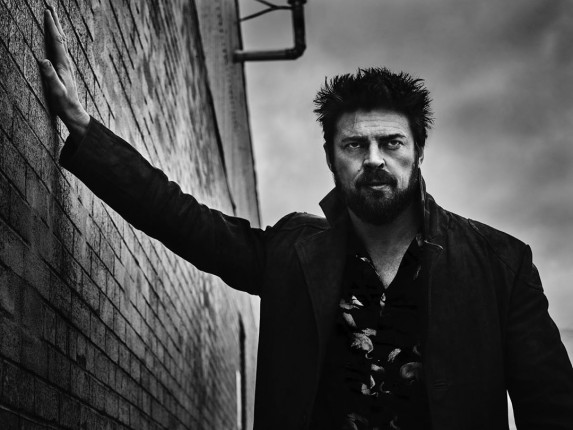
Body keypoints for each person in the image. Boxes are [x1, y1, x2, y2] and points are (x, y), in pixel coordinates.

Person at [39, 6, 573, 430]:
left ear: (418, 152)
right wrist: (85, 129)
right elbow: (183, 219)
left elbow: (551, 408)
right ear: (330, 158)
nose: (374, 160)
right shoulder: (296, 251)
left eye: (391, 142)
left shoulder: (501, 264)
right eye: (354, 145)